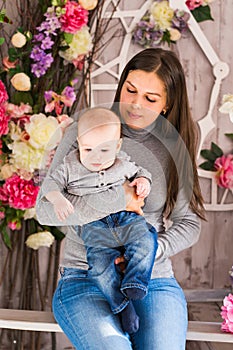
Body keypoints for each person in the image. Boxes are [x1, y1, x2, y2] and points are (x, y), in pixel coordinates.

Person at [36, 47, 205, 350]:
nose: (136, 105)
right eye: (130, 90)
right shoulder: (84, 131)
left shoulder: (175, 144)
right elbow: (44, 211)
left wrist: (148, 251)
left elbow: (188, 222)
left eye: (151, 99)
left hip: (153, 279)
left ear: (168, 105)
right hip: (84, 277)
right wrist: (118, 199)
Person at [41, 107, 158, 334]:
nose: (96, 157)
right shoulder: (70, 167)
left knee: (146, 238)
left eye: (104, 149)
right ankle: (121, 304)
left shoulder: (122, 163)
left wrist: (144, 181)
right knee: (99, 268)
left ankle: (135, 281)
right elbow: (49, 184)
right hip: (94, 226)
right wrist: (58, 200)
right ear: (78, 142)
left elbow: (141, 172)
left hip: (126, 219)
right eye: (88, 149)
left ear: (117, 146)